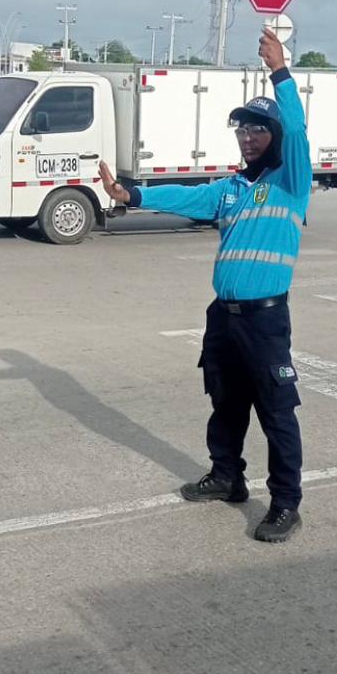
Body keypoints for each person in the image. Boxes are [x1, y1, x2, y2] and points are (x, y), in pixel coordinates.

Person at [98, 28, 311, 543]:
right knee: (226, 401)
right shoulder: (232, 189)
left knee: (276, 413)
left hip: (265, 319)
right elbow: (187, 198)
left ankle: (286, 503)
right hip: (226, 317)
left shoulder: (290, 182)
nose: (247, 137)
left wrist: (280, 70)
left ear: (275, 136)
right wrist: (132, 193)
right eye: (241, 130)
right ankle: (227, 475)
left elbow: (300, 132)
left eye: (258, 130)